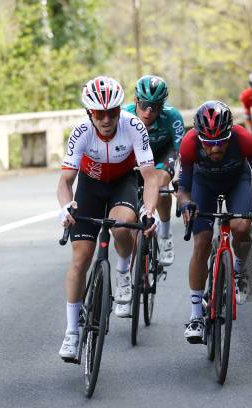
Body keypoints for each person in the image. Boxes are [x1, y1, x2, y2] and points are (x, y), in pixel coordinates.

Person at [57, 76, 159, 359]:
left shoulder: (134, 126)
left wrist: (149, 212)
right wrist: (66, 208)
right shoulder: (80, 132)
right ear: (89, 113)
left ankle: (124, 271)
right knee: (80, 258)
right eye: (98, 113)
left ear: (119, 110)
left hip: (121, 184)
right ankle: (71, 333)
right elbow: (66, 181)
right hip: (89, 187)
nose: (106, 119)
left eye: (112, 112)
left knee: (122, 227)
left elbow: (149, 178)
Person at [177, 100, 252, 344]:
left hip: (236, 183)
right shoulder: (189, 143)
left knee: (240, 226)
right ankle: (196, 315)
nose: (215, 149)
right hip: (204, 185)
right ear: (200, 138)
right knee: (200, 243)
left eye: (221, 141)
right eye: (209, 144)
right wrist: (186, 204)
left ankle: (240, 270)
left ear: (229, 134)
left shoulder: (244, 139)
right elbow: (183, 189)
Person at [123, 75, 184, 266]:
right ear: (135, 101)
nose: (148, 112)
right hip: (135, 158)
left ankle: (165, 235)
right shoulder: (124, 115)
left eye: (155, 107)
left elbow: (182, 152)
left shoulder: (173, 117)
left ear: (162, 106)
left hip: (162, 156)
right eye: (144, 105)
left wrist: (181, 180)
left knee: (160, 184)